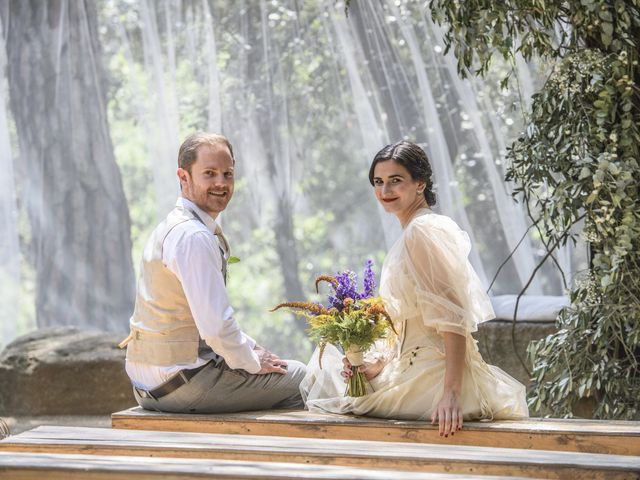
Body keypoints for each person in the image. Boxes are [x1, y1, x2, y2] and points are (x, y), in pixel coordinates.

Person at [300, 141, 528, 436]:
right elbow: (408, 322)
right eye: (378, 182)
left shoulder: (423, 231)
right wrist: (377, 364)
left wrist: (451, 393)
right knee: (329, 377)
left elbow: (453, 317)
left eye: (396, 181)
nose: (385, 191)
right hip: (410, 369)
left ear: (420, 183)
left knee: (321, 380)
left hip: (432, 378)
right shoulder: (414, 231)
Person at [120, 132, 306, 413]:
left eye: (227, 174)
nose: (221, 183)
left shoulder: (173, 225)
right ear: (183, 177)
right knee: (305, 379)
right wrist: (253, 362)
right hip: (183, 384)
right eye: (209, 174)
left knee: (275, 370)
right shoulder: (193, 236)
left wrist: (253, 349)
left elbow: (209, 323)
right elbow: (216, 328)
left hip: (148, 386)